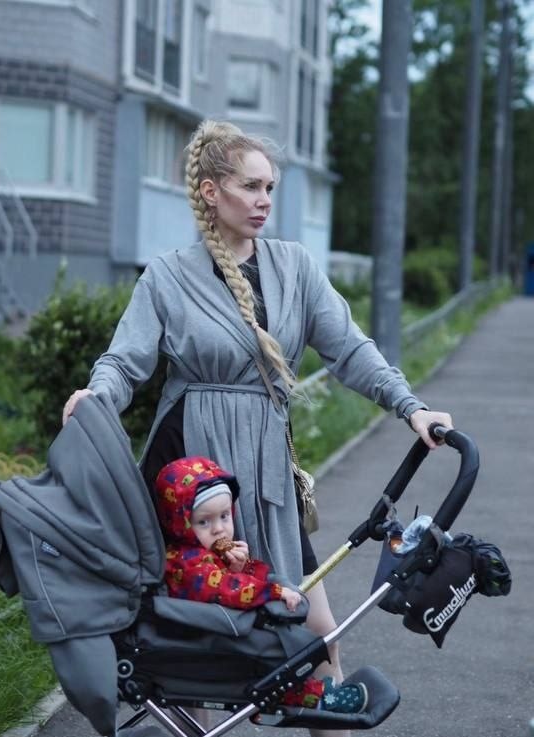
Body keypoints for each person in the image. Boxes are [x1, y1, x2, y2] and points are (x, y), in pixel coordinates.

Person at [62, 119, 453, 737]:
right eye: (250, 186)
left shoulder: (295, 267)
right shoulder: (168, 275)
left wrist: (411, 407)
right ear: (211, 191)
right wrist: (95, 395)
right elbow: (124, 362)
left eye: (270, 186)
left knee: (319, 635)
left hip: (265, 470)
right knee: (195, 647)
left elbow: (350, 349)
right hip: (191, 474)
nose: (265, 199)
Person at [155, 454, 368, 714]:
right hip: (211, 642)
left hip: (224, 632)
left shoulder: (206, 555)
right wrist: (275, 592)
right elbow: (229, 590)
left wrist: (241, 567)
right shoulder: (187, 563)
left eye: (224, 516)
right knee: (277, 652)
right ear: (181, 524)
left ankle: (316, 692)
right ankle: (317, 699)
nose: (219, 529)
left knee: (286, 641)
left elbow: (233, 582)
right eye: (204, 522)